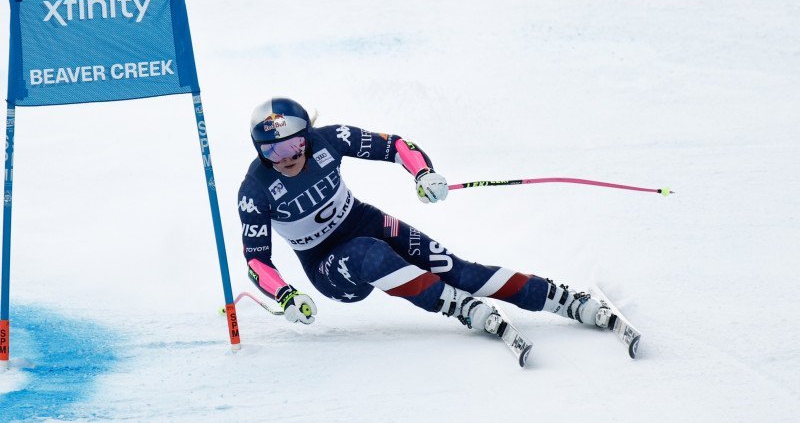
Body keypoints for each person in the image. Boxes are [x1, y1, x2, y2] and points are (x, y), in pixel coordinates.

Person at [237, 97, 613, 334]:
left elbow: (396, 145)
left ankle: (562, 299)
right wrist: (285, 295)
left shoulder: (330, 140)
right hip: (327, 267)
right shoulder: (255, 190)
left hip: (362, 219)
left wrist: (423, 173)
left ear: (308, 136)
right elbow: (256, 258)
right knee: (368, 251)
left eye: (293, 144)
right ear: (259, 152)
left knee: (459, 269)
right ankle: (457, 306)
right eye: (272, 151)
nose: (286, 157)